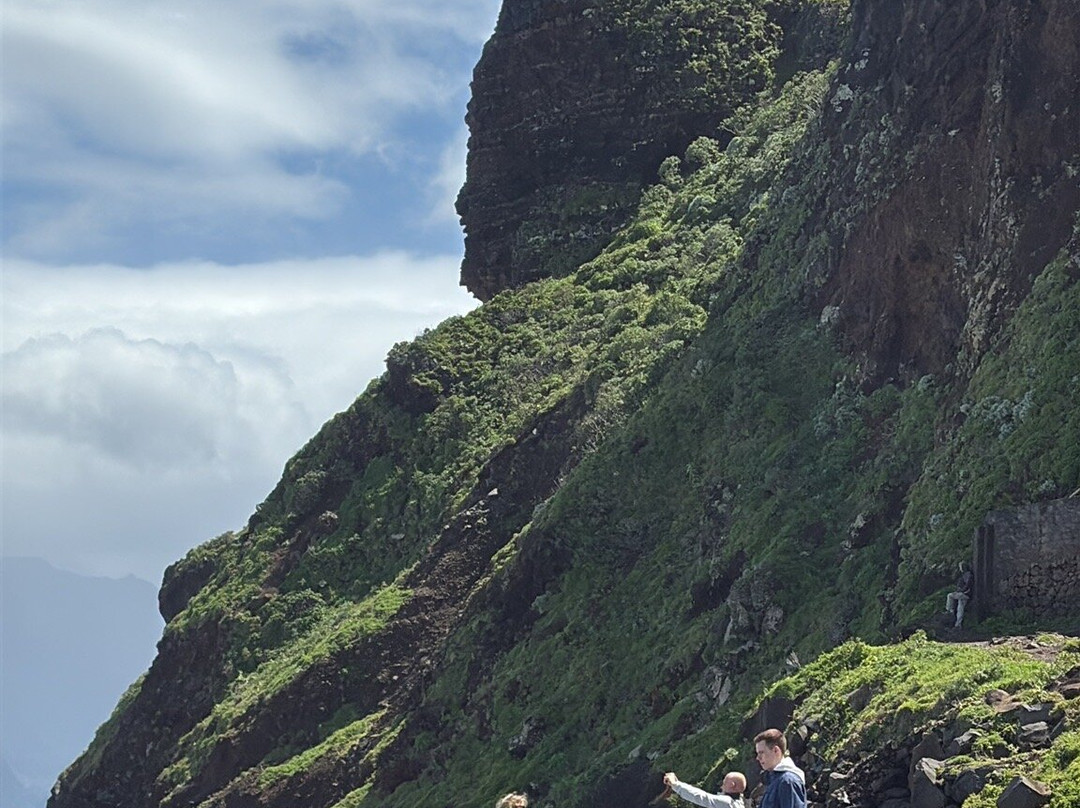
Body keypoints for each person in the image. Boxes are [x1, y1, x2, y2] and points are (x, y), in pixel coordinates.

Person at [753, 729, 806, 808]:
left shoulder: (787, 781)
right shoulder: (775, 779)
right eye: (757, 753)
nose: (758, 758)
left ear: (776, 750)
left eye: (761, 753)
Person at [663, 770, 746, 808]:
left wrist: (675, 784)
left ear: (732, 785)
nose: (721, 786)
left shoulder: (727, 803)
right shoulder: (739, 803)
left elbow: (700, 797)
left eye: (724, 783)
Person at [945, 563, 974, 628]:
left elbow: (967, 586)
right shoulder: (965, 575)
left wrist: (961, 591)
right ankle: (958, 624)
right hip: (964, 594)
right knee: (960, 607)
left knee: (950, 595)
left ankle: (950, 611)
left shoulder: (968, 575)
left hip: (965, 594)